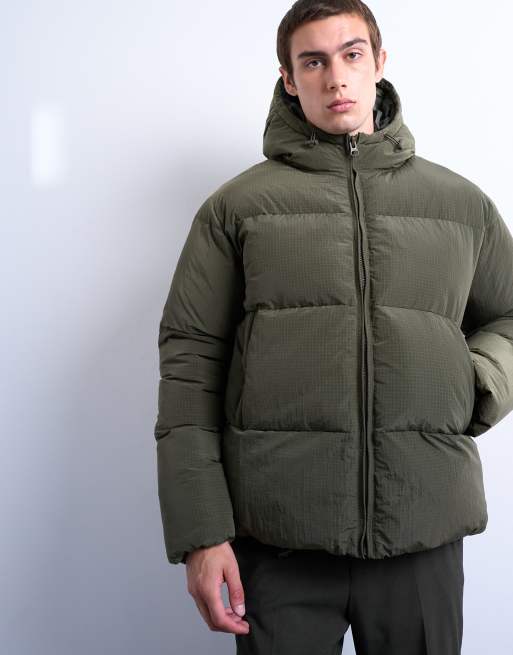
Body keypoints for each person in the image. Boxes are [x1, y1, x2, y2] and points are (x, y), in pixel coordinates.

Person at [153, 1, 513, 653]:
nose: (336, 77)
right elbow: (190, 368)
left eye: (351, 55)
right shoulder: (236, 209)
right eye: (313, 62)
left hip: (421, 534)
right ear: (289, 79)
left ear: (379, 62)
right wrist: (201, 534)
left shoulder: (460, 206)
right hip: (278, 543)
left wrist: (474, 383)